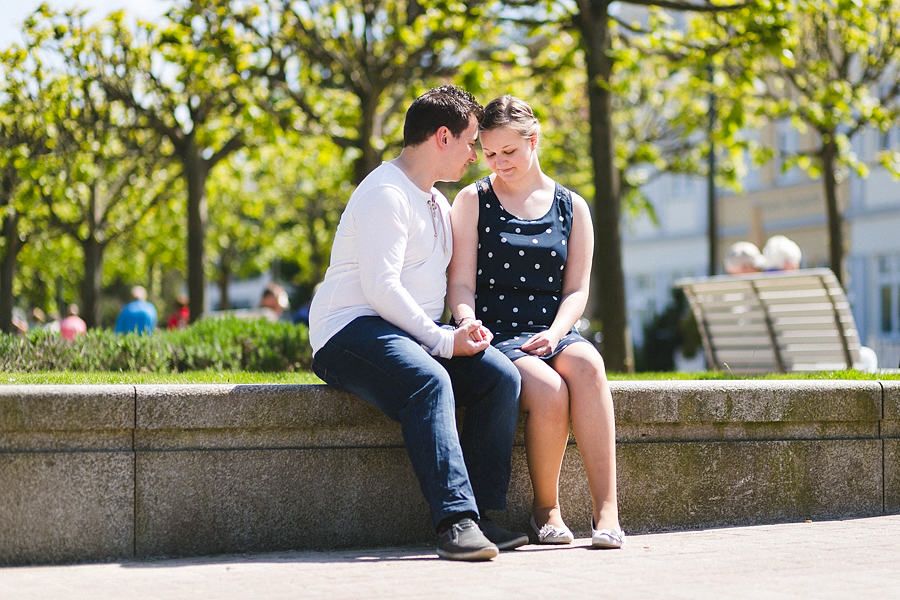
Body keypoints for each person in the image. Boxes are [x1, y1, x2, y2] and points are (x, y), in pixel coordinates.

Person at [309, 85, 525, 562]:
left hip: (408, 335)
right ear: (443, 137)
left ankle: (484, 514)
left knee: (499, 377)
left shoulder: (437, 204)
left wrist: (463, 327)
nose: (475, 155)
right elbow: (381, 288)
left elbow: (449, 285)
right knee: (428, 381)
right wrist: (444, 343)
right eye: (471, 142)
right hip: (350, 331)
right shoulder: (385, 193)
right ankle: (455, 522)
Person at [447, 95, 624, 549]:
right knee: (548, 389)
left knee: (588, 366)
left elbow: (576, 291)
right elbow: (461, 285)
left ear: (534, 140)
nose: (498, 162)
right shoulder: (473, 200)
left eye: (509, 152)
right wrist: (466, 320)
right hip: (497, 334)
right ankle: (547, 509)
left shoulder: (572, 207)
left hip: (554, 328)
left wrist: (557, 333)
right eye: (489, 153)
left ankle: (607, 512)